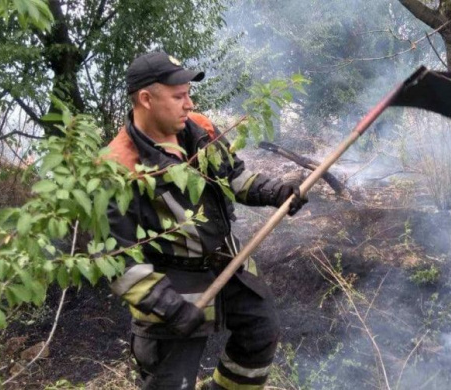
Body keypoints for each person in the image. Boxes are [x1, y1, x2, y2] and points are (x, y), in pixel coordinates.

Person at [104, 51, 307, 389]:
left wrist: (276, 192)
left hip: (230, 262)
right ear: (146, 99)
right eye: (179, 96)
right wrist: (168, 306)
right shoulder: (117, 168)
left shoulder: (200, 129)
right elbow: (115, 260)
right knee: (170, 382)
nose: (189, 103)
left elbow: (234, 177)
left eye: (189, 94)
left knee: (260, 334)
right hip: (172, 285)